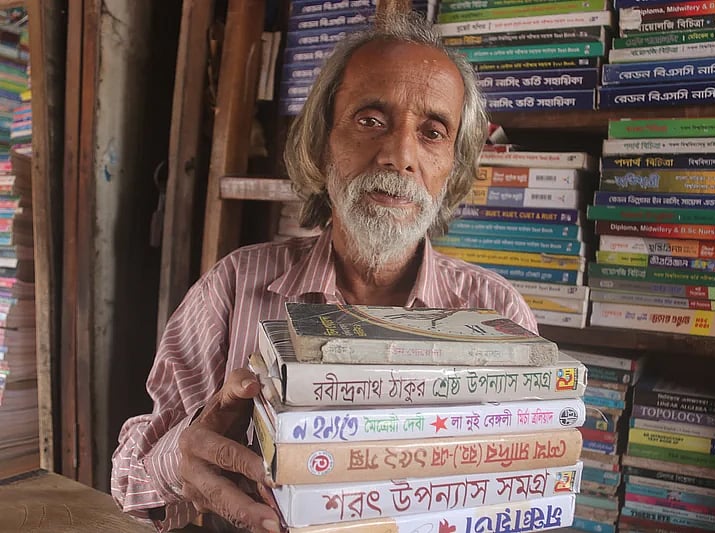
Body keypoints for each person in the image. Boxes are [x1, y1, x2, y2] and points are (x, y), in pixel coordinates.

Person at [111, 10, 538, 533]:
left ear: (453, 169)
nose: (399, 156)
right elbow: (129, 476)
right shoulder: (233, 289)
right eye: (370, 121)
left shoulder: (498, 315)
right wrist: (179, 459)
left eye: (432, 132)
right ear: (320, 143)